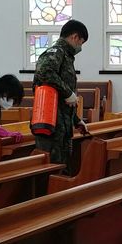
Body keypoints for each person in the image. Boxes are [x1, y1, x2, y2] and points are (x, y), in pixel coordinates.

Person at [33, 20, 90, 165]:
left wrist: (76, 121)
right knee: (51, 168)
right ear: (75, 37)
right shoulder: (57, 52)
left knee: (62, 168)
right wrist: (68, 92)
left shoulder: (66, 56)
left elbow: (61, 101)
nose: (80, 47)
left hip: (62, 126)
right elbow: (44, 71)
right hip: (51, 125)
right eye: (81, 42)